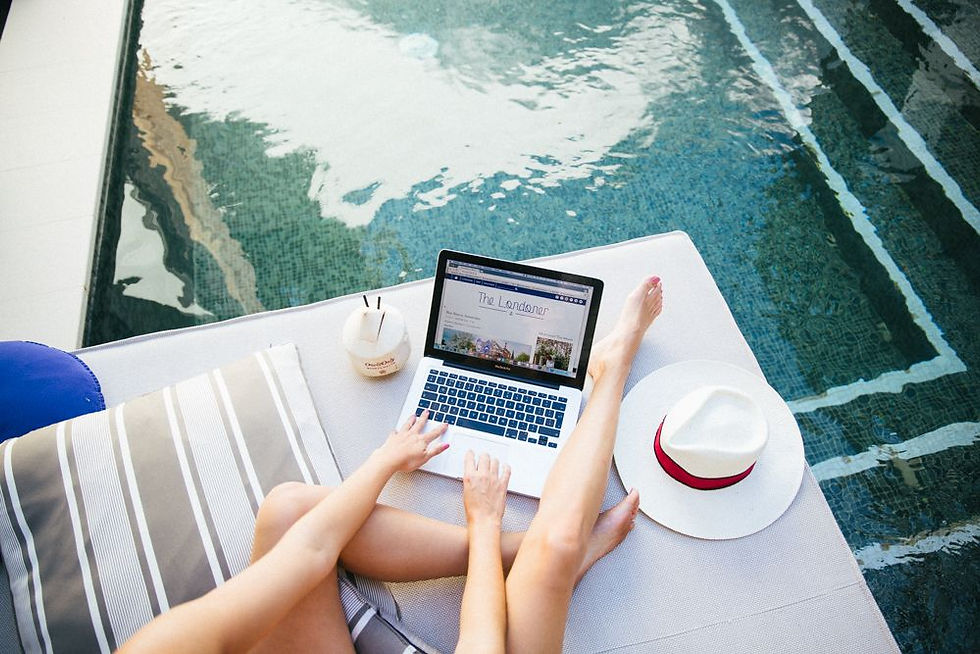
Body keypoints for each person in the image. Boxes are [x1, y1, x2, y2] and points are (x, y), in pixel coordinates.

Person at [119, 275, 662, 653]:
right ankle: (611, 370)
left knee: (287, 511)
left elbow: (309, 550)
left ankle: (521, 551)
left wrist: (383, 461)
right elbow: (480, 645)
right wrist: (483, 522)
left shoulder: (162, 647)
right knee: (556, 550)